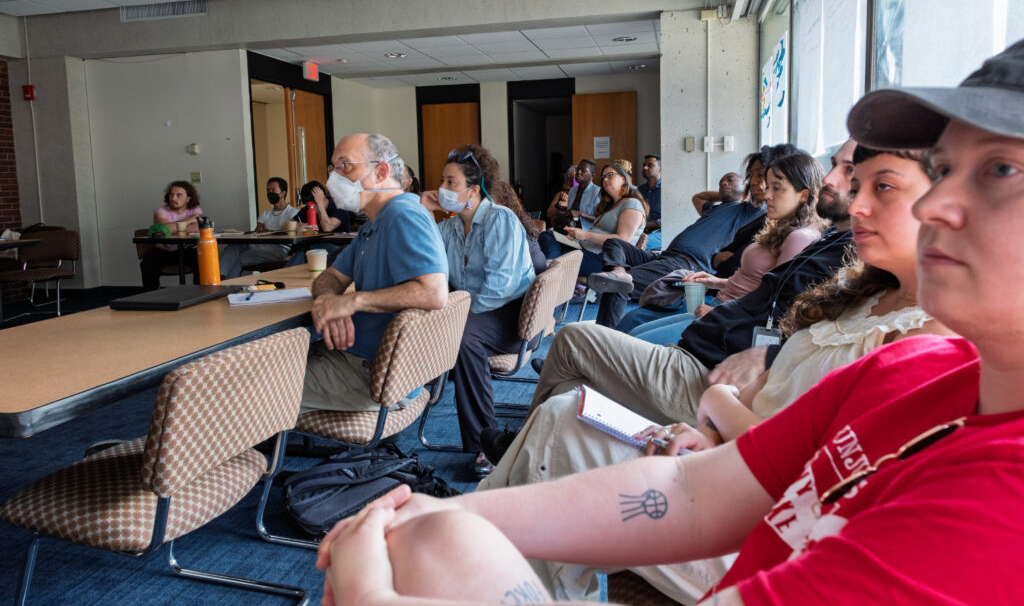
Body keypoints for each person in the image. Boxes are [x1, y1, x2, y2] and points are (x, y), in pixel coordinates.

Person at [316, 41, 1024, 606]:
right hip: (720, 444)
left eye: (997, 170)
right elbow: (695, 492)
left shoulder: (996, 510)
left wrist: (376, 592)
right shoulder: (908, 372)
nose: (937, 205)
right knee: (439, 534)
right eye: (943, 170)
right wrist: (443, 525)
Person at [476, 144, 949, 602]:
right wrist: (711, 429)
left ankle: (464, 541)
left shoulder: (922, 337)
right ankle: (479, 550)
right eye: (851, 176)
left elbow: (813, 472)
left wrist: (717, 410)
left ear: (941, 205)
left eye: (880, 185)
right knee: (566, 411)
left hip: (762, 523)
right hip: (730, 457)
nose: (841, 188)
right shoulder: (860, 293)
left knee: (562, 418)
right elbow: (777, 388)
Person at [301, 133, 448, 414]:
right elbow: (328, 278)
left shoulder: (403, 215)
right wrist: (329, 301)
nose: (335, 177)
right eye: (333, 167)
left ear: (381, 171)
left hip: (374, 373)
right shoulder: (373, 224)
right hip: (355, 357)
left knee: (244, 391)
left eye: (345, 165)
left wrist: (352, 302)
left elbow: (434, 292)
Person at [619, 152, 826, 341]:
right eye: (768, 185)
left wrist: (719, 312)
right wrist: (715, 281)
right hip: (720, 303)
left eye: (777, 188)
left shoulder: (799, 237)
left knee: (636, 339)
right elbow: (754, 283)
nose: (768, 194)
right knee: (633, 324)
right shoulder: (777, 228)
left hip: (730, 318)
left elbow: (774, 302)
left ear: (804, 195)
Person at [421, 144, 536, 476]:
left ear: (474, 189)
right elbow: (424, 259)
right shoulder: (451, 228)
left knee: (462, 338)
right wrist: (423, 210)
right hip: (476, 312)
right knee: (440, 328)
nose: (442, 189)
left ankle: (485, 442)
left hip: (510, 316)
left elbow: (499, 287)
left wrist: (456, 317)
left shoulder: (500, 219)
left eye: (450, 183)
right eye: (442, 181)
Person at [587, 150, 780, 329]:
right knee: (614, 244)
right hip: (664, 257)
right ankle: (618, 272)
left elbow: (760, 201)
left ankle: (603, 335)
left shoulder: (750, 212)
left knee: (622, 284)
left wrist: (743, 194)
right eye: (722, 181)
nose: (724, 183)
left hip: (687, 263)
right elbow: (698, 197)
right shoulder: (718, 208)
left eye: (730, 180)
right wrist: (725, 194)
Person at [537, 161, 648, 276]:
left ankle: (552, 269)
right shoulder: (609, 205)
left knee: (543, 261)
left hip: (603, 257)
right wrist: (578, 235)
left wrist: (585, 235)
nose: (605, 179)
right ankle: (553, 268)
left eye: (610, 175)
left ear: (623, 179)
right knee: (547, 236)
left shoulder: (632, 204)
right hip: (584, 247)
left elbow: (621, 240)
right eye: (603, 177)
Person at [219, 176, 299, 279]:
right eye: (268, 190)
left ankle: (228, 287)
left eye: (273, 190)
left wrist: (268, 231)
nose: (270, 193)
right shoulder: (265, 214)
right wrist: (274, 231)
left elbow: (287, 233)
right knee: (232, 247)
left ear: (283, 193)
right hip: (259, 246)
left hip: (277, 250)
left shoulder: (293, 213)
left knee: (239, 258)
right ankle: (219, 278)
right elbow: (258, 231)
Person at [140, 180, 203, 290]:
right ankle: (150, 297)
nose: (173, 198)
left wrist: (170, 228)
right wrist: (188, 221)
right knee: (149, 260)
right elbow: (163, 228)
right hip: (164, 252)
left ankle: (201, 294)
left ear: (188, 198)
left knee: (202, 258)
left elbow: (197, 228)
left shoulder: (195, 210)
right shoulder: (161, 211)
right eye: (171, 194)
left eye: (179, 195)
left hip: (186, 250)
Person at [286, 179, 352, 268]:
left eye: (314, 204)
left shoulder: (340, 206)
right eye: (309, 205)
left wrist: (320, 204)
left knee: (311, 250)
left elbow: (327, 228)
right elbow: (286, 226)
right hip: (313, 247)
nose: (312, 207)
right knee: (306, 250)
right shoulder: (308, 209)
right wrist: (299, 226)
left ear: (323, 196)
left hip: (338, 248)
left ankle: (282, 277)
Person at [538, 159, 600, 242]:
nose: (578, 172)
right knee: (544, 236)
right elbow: (570, 214)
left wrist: (580, 214)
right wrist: (563, 213)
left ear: (592, 175)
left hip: (584, 236)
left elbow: (600, 219)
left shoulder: (597, 192)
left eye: (583, 171)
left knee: (553, 248)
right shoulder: (573, 191)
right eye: (578, 169)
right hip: (569, 231)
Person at [637, 155, 662, 250]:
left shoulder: (666, 191)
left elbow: (671, 219)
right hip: (640, 229)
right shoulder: (639, 190)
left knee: (641, 241)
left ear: (660, 168)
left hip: (660, 232)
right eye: (644, 165)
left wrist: (645, 225)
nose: (645, 167)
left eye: (650, 165)